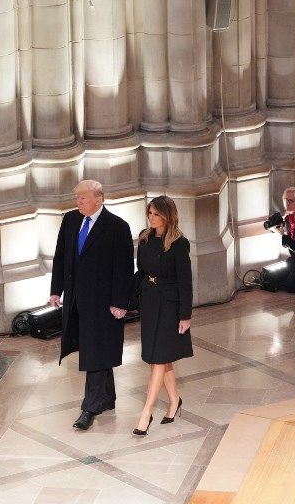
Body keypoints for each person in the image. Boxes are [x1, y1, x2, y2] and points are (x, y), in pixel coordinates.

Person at [49, 179, 134, 431]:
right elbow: (61, 256)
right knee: (95, 347)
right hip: (76, 299)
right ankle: (106, 397)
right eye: (77, 198)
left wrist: (121, 302)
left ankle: (90, 406)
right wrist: (56, 289)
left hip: (103, 303)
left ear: (98, 198)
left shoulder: (117, 227)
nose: (78, 202)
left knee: (95, 350)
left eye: (82, 198)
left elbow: (124, 268)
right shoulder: (71, 220)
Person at [131, 196, 193, 436]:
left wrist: (185, 315)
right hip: (149, 301)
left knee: (157, 358)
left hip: (170, 304)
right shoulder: (145, 238)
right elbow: (140, 271)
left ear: (168, 215)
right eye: (150, 213)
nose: (152, 217)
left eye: (156, 214)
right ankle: (174, 399)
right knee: (161, 356)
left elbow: (185, 282)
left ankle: (146, 413)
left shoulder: (179, 243)